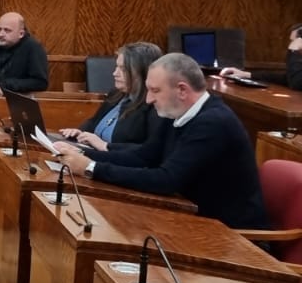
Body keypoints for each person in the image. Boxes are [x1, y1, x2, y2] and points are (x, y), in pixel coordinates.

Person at [52, 52, 267, 230]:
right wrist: (82, 153)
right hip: (189, 217)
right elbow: (143, 156)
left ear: (182, 90)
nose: (148, 99)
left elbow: (166, 179)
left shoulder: (213, 123)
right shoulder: (176, 112)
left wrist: (91, 168)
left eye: (155, 90)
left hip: (229, 234)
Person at [56, 41, 165, 152]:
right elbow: (93, 122)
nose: (115, 73)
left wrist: (104, 145)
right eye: (117, 66)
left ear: (144, 72)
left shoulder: (154, 107)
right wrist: (79, 133)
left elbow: (148, 152)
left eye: (123, 69)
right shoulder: (116, 93)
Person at [219, 23, 302, 90]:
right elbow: (287, 78)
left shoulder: (295, 53)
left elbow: (296, 83)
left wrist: (293, 52)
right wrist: (246, 74)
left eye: (294, 42)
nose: (291, 45)